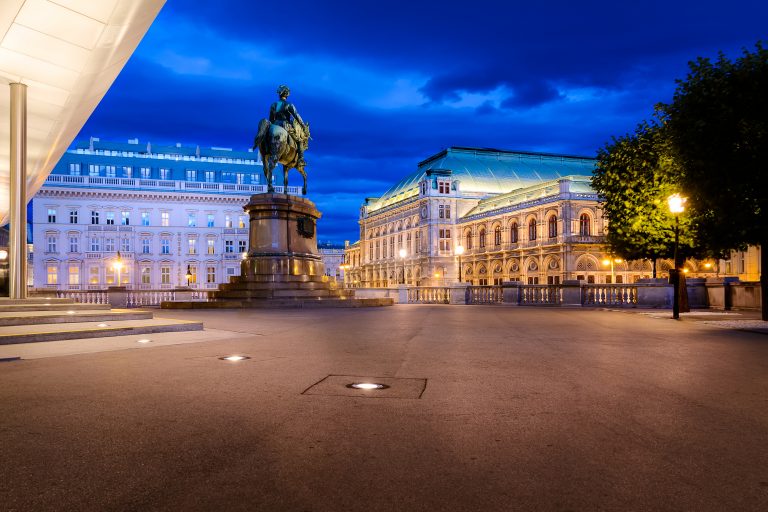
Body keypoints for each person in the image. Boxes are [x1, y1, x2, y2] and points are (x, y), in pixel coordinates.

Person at [270, 85, 308, 166]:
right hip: (285, 125)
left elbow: (271, 119)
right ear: (287, 94)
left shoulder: (273, 105)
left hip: (274, 125)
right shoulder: (289, 104)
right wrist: (303, 126)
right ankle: (301, 159)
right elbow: (296, 115)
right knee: (299, 140)